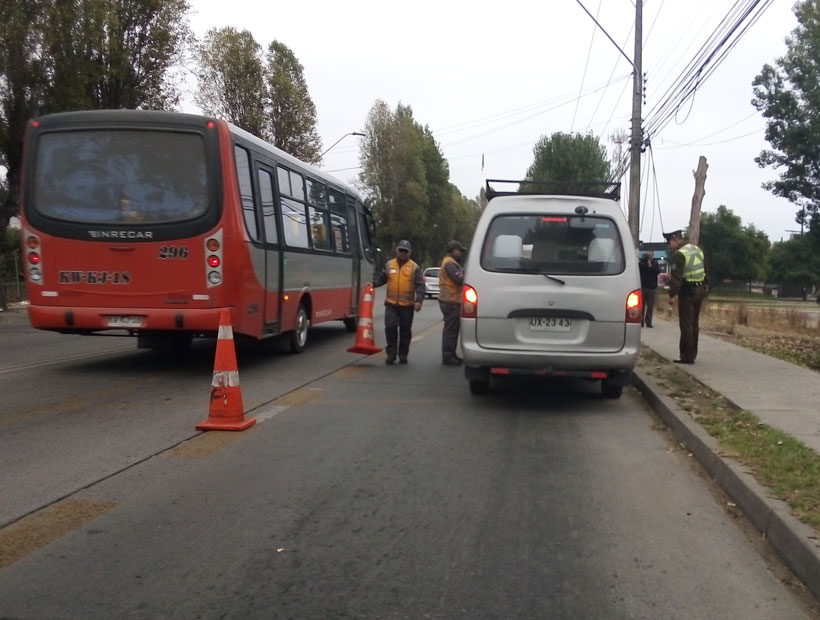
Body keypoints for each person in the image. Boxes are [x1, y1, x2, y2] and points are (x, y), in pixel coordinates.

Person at [372, 239, 425, 364]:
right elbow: (382, 278)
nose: (402, 253)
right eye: (400, 250)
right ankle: (391, 353)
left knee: (405, 331)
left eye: (405, 251)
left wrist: (419, 300)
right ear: (397, 250)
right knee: (390, 327)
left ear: (409, 253)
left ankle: (403, 354)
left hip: (407, 306)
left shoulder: (414, 267)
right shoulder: (390, 265)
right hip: (391, 304)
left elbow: (420, 285)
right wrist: (373, 283)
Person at [664, 229, 708, 364]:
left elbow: (676, 280)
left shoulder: (679, 254)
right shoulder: (697, 249)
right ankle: (693, 353)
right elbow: (706, 270)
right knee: (694, 324)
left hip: (687, 292)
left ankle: (686, 356)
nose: (668, 246)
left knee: (686, 325)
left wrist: (671, 293)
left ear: (675, 240)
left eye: (669, 243)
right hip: (700, 290)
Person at [438, 240, 466, 365]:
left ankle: (451, 354)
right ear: (453, 250)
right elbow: (459, 279)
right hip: (450, 301)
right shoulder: (450, 263)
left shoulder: (450, 262)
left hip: (450, 300)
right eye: (459, 250)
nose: (460, 253)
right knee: (450, 330)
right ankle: (448, 356)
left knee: (453, 330)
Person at [638, 250, 660, 327]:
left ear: (653, 256)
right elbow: (640, 268)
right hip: (643, 287)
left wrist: (650, 265)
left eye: (650, 255)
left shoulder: (655, 263)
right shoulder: (642, 263)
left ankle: (648, 321)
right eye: (648, 255)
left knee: (650, 306)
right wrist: (644, 260)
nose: (649, 257)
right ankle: (641, 321)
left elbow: (657, 272)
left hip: (652, 288)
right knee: (642, 306)